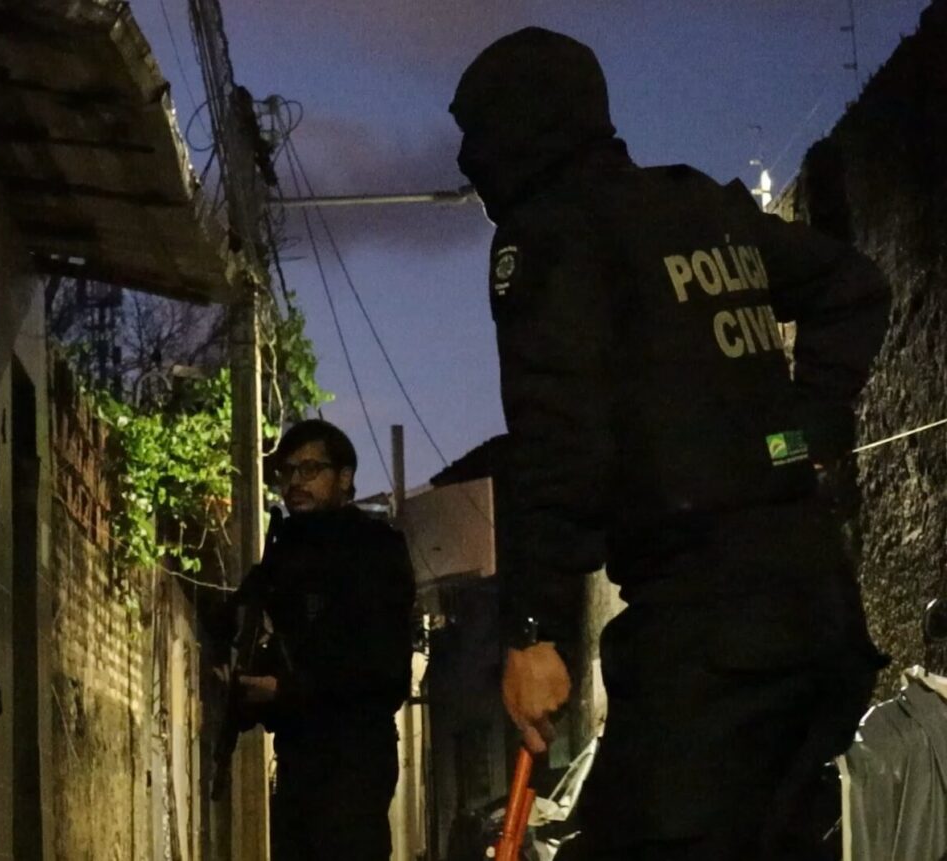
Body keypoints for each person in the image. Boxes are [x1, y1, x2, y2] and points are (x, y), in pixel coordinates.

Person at [448, 28, 892, 860]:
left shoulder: (551, 235)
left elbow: (556, 440)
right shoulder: (701, 208)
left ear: (515, 131)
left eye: (475, 135)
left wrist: (534, 627)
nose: (469, 164)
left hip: (708, 640)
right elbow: (854, 285)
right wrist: (809, 426)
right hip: (818, 617)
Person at [214, 419, 415, 861]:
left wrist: (287, 689)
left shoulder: (374, 549)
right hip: (298, 759)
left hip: (354, 761)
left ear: (344, 478)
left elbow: (386, 672)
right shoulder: (283, 554)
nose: (295, 482)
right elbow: (235, 618)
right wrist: (234, 671)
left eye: (309, 469)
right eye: (287, 472)